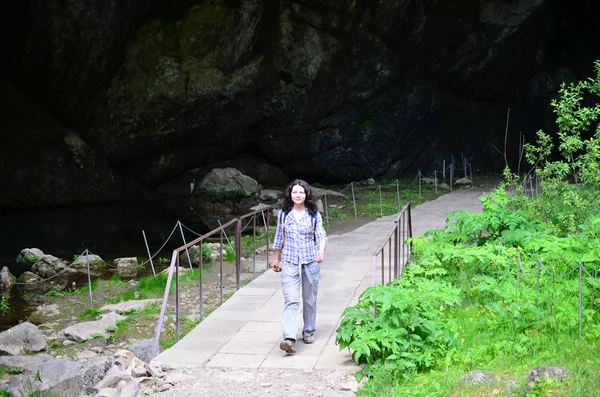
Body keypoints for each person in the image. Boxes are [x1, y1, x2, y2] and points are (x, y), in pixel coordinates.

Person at [271, 179, 328, 354]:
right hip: (289, 262)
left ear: (306, 195)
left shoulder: (313, 215)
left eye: (301, 192)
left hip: (310, 262)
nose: (298, 195)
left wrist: (321, 251)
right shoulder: (283, 214)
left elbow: (321, 235)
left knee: (309, 299)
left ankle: (309, 330)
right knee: (292, 299)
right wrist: (276, 258)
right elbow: (279, 237)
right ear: (290, 194)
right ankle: (289, 338)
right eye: (295, 192)